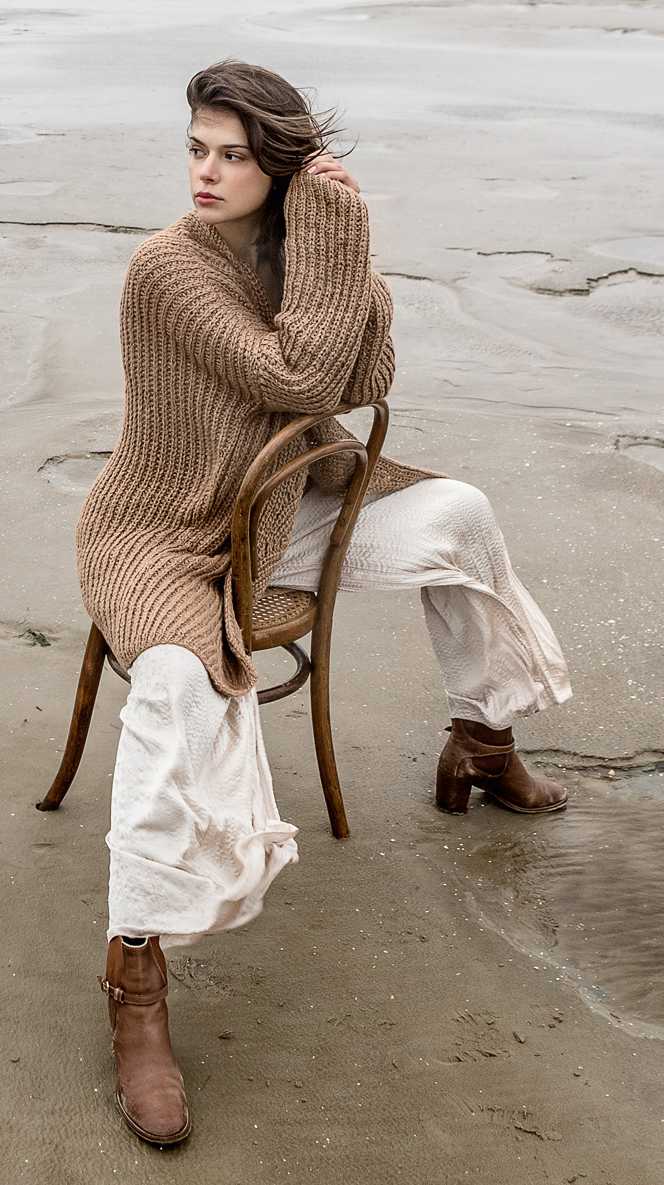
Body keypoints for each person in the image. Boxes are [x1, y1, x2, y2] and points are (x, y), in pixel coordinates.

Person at [75, 60, 572, 1146]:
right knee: (175, 683)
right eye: (197, 149)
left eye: (234, 155)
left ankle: (482, 740)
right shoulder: (167, 267)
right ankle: (136, 971)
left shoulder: (305, 247)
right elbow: (301, 380)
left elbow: (365, 374)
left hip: (283, 507)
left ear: (283, 170)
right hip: (164, 530)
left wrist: (337, 242)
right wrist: (336, 233)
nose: (206, 172)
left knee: (460, 513)